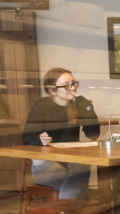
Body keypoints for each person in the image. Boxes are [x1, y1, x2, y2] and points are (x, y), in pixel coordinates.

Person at [21, 67, 101, 200]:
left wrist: (85, 105)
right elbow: (26, 137)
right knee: (76, 180)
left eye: (73, 83)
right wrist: (40, 139)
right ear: (53, 90)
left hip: (71, 161)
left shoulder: (78, 106)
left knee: (79, 171)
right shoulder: (42, 105)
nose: (72, 88)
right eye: (66, 85)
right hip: (46, 164)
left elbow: (93, 134)